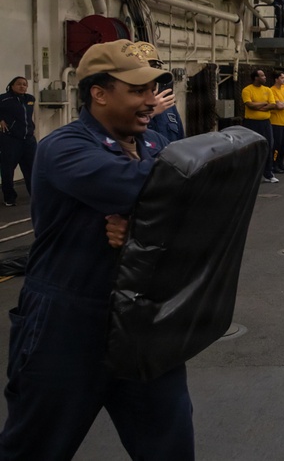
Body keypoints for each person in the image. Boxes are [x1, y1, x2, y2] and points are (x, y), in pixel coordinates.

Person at [0, 40, 194, 459]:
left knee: (170, 447)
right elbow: (148, 187)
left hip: (142, 324)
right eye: (138, 90)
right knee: (34, 448)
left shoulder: (154, 148)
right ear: (99, 93)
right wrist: (161, 215)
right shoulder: (65, 148)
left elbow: (196, 210)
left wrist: (145, 229)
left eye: (153, 90)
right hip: (66, 324)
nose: (150, 102)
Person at [0, 77, 36, 207]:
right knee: (8, 170)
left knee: (32, 169)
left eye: (25, 84)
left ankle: (36, 195)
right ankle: (9, 198)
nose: (22, 86)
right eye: (19, 84)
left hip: (29, 140)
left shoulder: (30, 99)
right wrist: (1, 119)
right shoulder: (3, 99)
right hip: (11, 139)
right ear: (12, 85)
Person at [241, 68, 279, 183]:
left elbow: (273, 105)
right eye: (262, 76)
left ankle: (268, 173)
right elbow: (250, 105)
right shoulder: (247, 90)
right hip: (251, 123)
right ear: (256, 78)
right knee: (252, 148)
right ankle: (251, 174)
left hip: (266, 123)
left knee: (268, 146)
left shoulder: (268, 90)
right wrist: (264, 103)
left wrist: (259, 106)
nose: (265, 77)